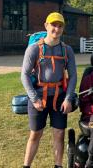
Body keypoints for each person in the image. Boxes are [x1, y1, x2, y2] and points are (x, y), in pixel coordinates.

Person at [21, 12, 77, 168]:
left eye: (60, 26)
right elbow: (24, 75)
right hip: (38, 97)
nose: (56, 29)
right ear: (46, 26)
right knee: (35, 133)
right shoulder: (34, 49)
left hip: (59, 98)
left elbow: (73, 76)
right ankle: (26, 165)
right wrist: (34, 98)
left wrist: (68, 99)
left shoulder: (67, 50)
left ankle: (58, 165)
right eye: (53, 25)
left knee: (59, 134)